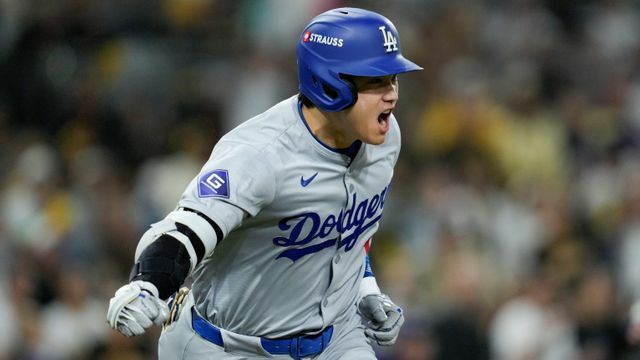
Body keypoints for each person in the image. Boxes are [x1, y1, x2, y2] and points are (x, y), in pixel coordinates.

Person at [106, 7, 422, 359]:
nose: (392, 94)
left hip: (335, 341)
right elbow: (187, 231)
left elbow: (352, 231)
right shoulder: (260, 154)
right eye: (375, 81)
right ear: (332, 83)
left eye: (393, 79)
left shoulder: (386, 137)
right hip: (227, 346)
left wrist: (364, 288)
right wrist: (148, 284)